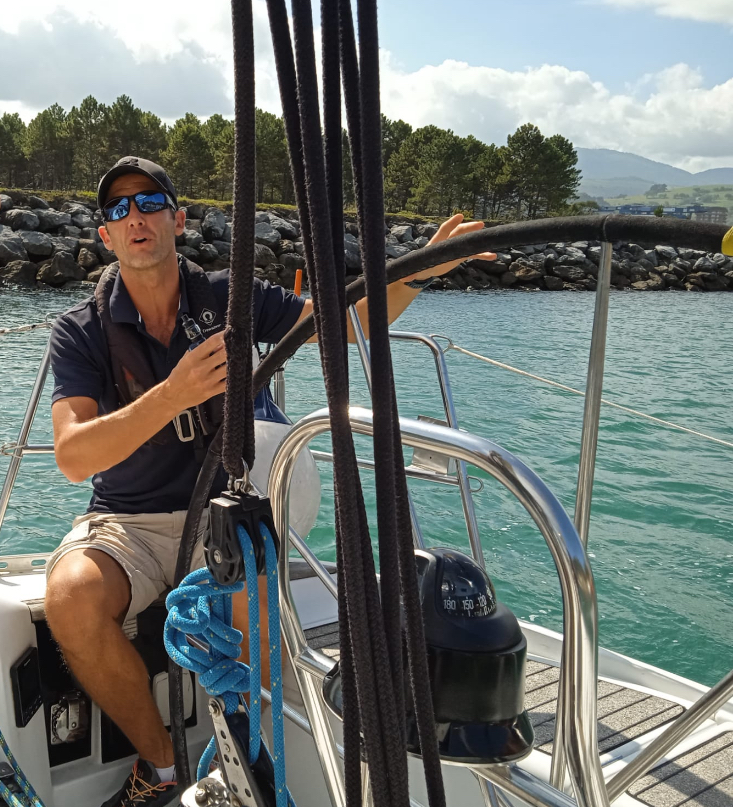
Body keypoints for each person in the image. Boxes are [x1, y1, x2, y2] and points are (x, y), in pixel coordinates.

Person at [44, 155, 496, 807]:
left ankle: (239, 768)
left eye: (149, 202)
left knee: (253, 609)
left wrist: (419, 269)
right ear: (105, 235)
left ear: (178, 219)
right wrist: (172, 395)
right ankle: (163, 766)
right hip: (127, 520)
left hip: (224, 511)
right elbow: (72, 455)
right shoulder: (80, 331)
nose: (135, 216)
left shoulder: (229, 299)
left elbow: (342, 325)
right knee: (70, 596)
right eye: (118, 209)